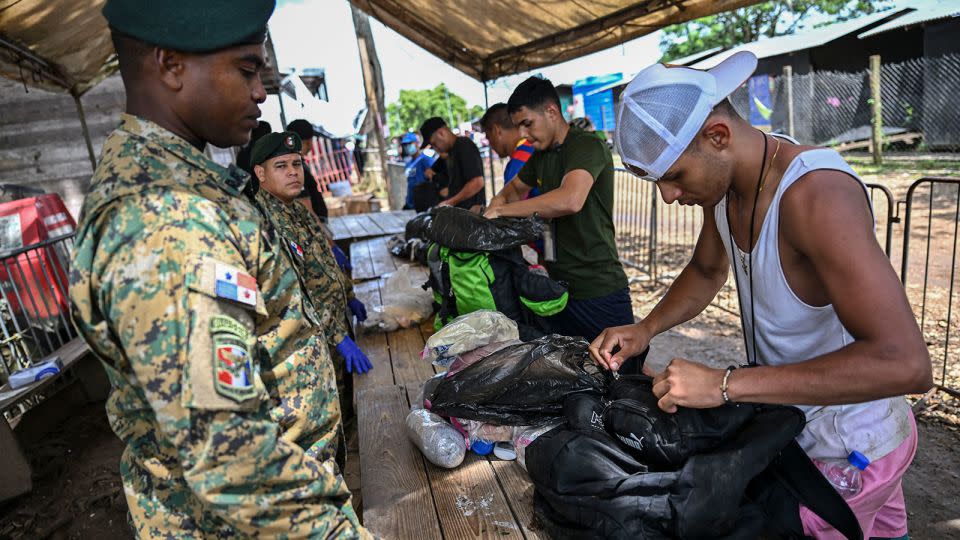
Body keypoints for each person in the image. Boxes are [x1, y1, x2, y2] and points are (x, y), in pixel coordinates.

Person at [590, 51, 932, 539]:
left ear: (718, 136)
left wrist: (726, 385)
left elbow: (906, 364)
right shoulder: (727, 187)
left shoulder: (816, 196)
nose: (667, 196)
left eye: (674, 176)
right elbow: (708, 269)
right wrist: (645, 329)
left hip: (850, 445)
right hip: (797, 422)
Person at [69, 1, 369, 536]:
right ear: (170, 66)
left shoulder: (186, 183)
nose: (261, 91)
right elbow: (230, 455)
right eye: (247, 69)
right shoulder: (166, 217)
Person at [483, 76, 631, 343]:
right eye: (518, 127)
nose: (524, 135)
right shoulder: (540, 156)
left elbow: (570, 200)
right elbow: (514, 188)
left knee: (622, 372)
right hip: (557, 287)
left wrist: (504, 212)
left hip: (597, 287)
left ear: (551, 111)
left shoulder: (586, 145)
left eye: (528, 124)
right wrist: (496, 203)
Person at [250, 131, 373, 418]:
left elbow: (323, 263)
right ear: (260, 173)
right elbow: (294, 292)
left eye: (297, 164)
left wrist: (348, 293)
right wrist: (338, 335)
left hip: (332, 334)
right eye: (281, 166)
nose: (294, 172)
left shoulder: (297, 211)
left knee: (347, 415)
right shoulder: (264, 224)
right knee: (323, 423)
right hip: (306, 349)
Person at [419, 116, 485, 209]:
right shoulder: (450, 152)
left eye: (434, 144)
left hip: (471, 214)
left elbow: (477, 182)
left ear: (441, 133)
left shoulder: (464, 146)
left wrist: (451, 202)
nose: (435, 148)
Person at [479, 103, 536, 189]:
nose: (490, 144)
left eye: (488, 137)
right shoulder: (534, 147)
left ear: (496, 130)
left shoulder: (518, 162)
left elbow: (511, 201)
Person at [286, 118, 329, 222]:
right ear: (308, 141)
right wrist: (321, 231)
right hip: (314, 225)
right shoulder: (294, 166)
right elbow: (304, 204)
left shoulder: (292, 162)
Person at [399, 132, 437, 210]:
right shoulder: (408, 163)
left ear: (417, 144)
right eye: (405, 145)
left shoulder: (425, 160)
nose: (407, 147)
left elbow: (434, 179)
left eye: (409, 144)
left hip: (423, 204)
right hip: (411, 204)